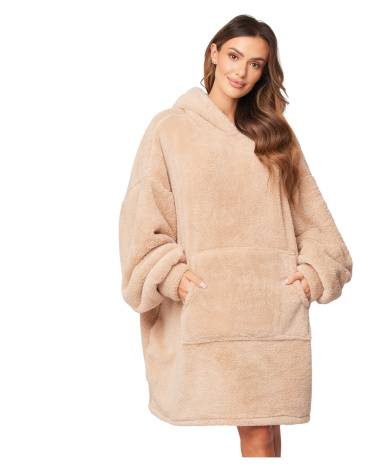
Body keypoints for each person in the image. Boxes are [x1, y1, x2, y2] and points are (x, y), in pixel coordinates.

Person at [118, 14, 353, 458]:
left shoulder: (275, 135)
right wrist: (175, 277)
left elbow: (318, 225)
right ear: (214, 53)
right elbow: (142, 220)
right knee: (259, 435)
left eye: (256, 64)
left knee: (268, 434)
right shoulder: (170, 128)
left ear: (265, 71)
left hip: (273, 314)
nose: (241, 71)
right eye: (233, 56)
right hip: (211, 310)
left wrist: (309, 277)